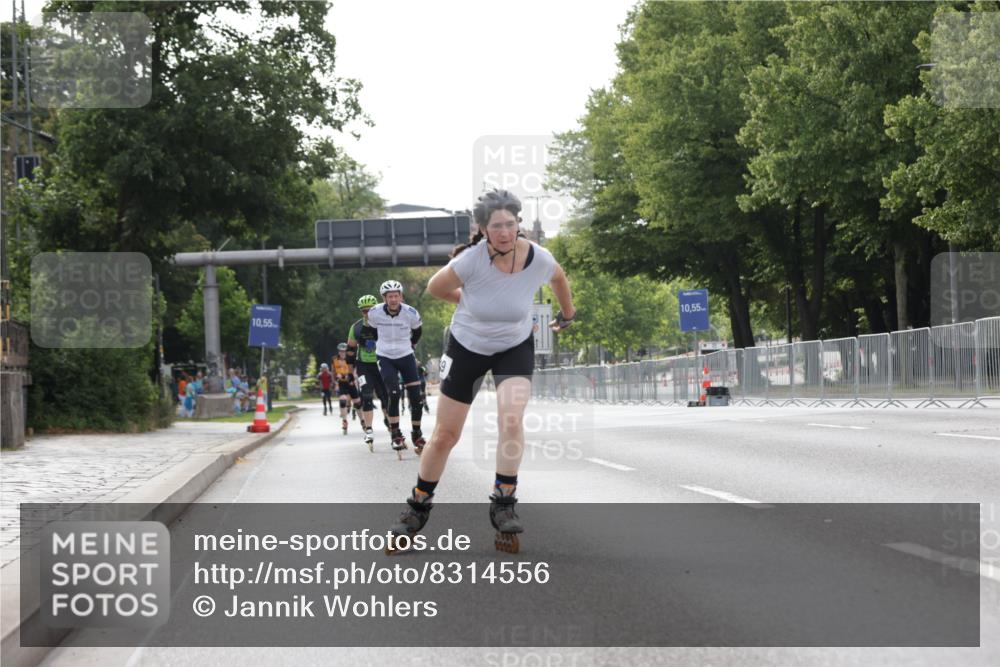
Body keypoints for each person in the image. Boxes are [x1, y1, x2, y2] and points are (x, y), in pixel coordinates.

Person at [387, 189, 576, 554]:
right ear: (483, 229)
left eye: (510, 224)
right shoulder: (471, 261)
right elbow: (435, 287)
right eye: (496, 226)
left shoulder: (538, 257)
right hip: (467, 347)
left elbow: (559, 279)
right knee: (445, 434)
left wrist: (567, 315)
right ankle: (417, 507)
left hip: (514, 347)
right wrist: (470, 302)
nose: (505, 232)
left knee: (511, 421)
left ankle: (504, 502)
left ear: (518, 224)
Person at [365, 280, 427, 453]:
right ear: (384, 298)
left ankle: (417, 433)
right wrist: (381, 344)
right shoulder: (374, 313)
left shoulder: (410, 313)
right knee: (393, 393)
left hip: (406, 355)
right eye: (390, 296)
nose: (393, 299)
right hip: (385, 357)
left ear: (401, 296)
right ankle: (395, 434)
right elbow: (372, 330)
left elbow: (418, 331)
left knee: (416, 397)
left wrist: (411, 345)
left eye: (396, 296)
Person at [346, 294, 391, 451]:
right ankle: (369, 429)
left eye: (370, 310)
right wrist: (350, 373)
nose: (367, 313)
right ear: (361, 312)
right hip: (364, 365)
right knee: (366, 395)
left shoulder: (384, 323)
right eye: (364, 311)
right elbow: (350, 351)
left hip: (382, 363)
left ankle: (391, 423)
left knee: (385, 397)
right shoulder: (356, 328)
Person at [332, 343, 361, 434]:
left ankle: (363, 422)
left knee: (357, 403)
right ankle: (344, 421)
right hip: (341, 383)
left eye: (344, 351)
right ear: (338, 351)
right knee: (343, 401)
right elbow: (333, 372)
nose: (342, 353)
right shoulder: (334, 360)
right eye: (341, 351)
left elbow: (356, 371)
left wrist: (355, 379)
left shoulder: (352, 359)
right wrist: (335, 382)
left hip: (351, 382)